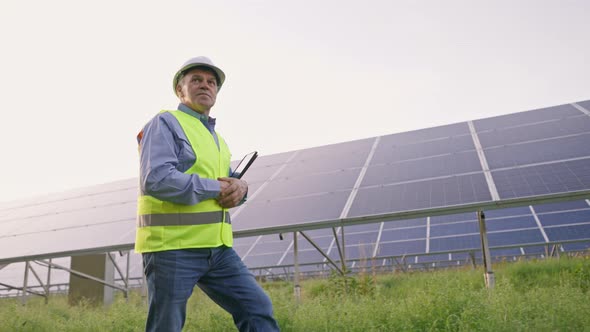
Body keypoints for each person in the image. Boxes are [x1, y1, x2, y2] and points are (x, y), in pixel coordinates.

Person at [135, 56, 280, 332]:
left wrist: (241, 188)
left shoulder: (219, 140)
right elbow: (157, 179)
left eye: (211, 82)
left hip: (218, 250)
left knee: (257, 308)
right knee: (167, 326)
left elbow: (228, 182)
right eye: (196, 80)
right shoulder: (165, 123)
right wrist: (218, 187)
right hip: (172, 249)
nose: (206, 85)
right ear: (180, 90)